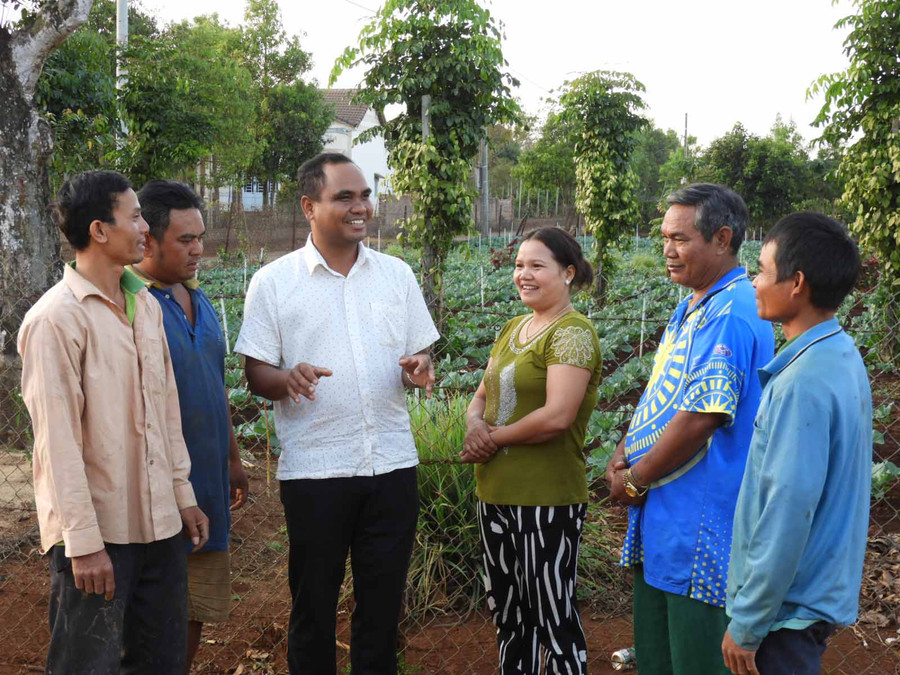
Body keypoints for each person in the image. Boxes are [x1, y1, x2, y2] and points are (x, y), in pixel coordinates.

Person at [235, 152, 439, 674]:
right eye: (344, 196)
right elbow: (256, 374)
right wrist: (286, 378)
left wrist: (418, 365)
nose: (361, 207)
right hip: (316, 472)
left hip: (391, 465)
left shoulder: (396, 274)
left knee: (382, 610)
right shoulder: (274, 283)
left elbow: (419, 354)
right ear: (309, 206)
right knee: (314, 607)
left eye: (365, 194)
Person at [17, 170, 208, 673]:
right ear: (99, 230)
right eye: (135, 216)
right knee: (88, 665)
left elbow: (166, 413)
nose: (145, 227)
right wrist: (83, 546)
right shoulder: (55, 321)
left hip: (160, 529)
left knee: (160, 663)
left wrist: (182, 496)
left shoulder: (143, 305)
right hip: (97, 540)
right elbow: (57, 446)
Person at [605, 184, 775, 675]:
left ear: (722, 239)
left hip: (700, 533)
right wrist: (623, 452)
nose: (666, 250)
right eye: (664, 237)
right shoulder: (694, 306)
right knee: (659, 659)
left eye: (679, 239)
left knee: (695, 660)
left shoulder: (733, 312)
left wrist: (636, 477)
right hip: (666, 526)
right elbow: (663, 391)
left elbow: (703, 415)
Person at [722, 213, 871, 675]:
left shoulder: (800, 383)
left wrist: (748, 621)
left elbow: (788, 509)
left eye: (763, 270)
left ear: (797, 283)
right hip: (814, 596)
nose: (754, 280)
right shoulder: (840, 354)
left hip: (785, 613)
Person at [461, 227, 601, 674]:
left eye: (537, 265)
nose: (524, 274)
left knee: (552, 614)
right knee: (509, 615)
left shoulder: (572, 333)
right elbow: (480, 395)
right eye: (520, 265)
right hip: (496, 495)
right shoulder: (513, 328)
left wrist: (492, 439)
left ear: (568, 273)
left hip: (546, 501)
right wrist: (473, 423)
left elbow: (558, 416)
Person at [130, 179, 250, 673]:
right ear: (148, 240)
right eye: (185, 240)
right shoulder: (132, 305)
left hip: (206, 481)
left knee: (196, 604)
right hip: (156, 490)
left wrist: (233, 459)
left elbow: (215, 382)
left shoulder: (197, 299)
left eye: (200, 237)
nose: (198, 249)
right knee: (152, 608)